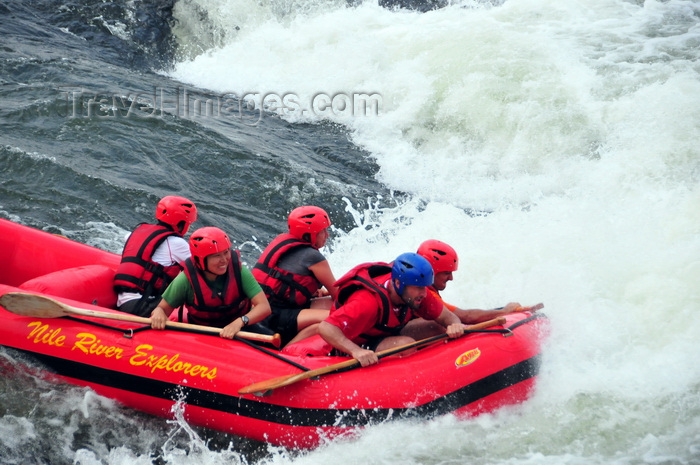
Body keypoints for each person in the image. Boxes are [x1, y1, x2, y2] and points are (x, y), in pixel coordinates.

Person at [317, 252, 464, 367]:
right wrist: (356, 351)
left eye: (425, 287)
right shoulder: (367, 302)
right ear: (398, 283)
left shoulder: (415, 292)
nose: (424, 294)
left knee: (439, 327)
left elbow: (447, 317)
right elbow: (326, 327)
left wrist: (455, 324)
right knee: (405, 345)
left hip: (389, 331)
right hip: (358, 344)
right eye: (419, 288)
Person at [150, 226, 271, 339]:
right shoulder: (186, 280)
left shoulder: (239, 272)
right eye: (217, 256)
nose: (224, 260)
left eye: (226, 252)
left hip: (240, 328)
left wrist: (239, 322)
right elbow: (161, 309)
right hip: (202, 332)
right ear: (200, 259)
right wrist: (159, 313)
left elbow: (264, 307)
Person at [253, 206, 339, 346]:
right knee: (337, 318)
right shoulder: (313, 257)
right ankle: (287, 350)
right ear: (310, 234)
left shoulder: (282, 240)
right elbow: (339, 296)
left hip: (260, 309)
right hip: (275, 315)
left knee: (328, 303)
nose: (327, 235)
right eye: (323, 231)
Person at [114, 195, 197, 317]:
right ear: (181, 223)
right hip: (142, 305)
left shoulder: (135, 233)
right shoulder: (177, 243)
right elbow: (203, 268)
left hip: (124, 301)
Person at [416, 239, 523, 323]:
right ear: (431, 272)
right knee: (439, 325)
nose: (451, 278)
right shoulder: (424, 292)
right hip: (405, 339)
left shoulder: (423, 289)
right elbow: (465, 317)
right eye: (447, 273)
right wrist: (505, 312)